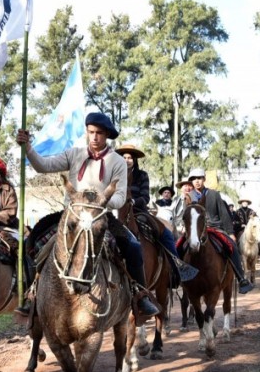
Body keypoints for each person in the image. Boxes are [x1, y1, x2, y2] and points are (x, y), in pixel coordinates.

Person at [16, 112, 160, 317]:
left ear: (107, 135)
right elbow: (43, 166)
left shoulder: (117, 162)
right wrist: (28, 148)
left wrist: (101, 201)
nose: (94, 137)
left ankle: (140, 295)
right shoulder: (73, 154)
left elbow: (120, 197)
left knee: (134, 247)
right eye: (91, 132)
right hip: (71, 216)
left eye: (99, 133)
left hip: (101, 217)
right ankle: (32, 293)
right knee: (35, 241)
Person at [116, 144, 182, 283]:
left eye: (130, 158)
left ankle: (176, 266)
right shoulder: (114, 175)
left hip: (139, 211)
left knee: (166, 234)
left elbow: (145, 197)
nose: (127, 160)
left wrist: (133, 201)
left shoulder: (142, 175)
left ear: (134, 160)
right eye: (125, 157)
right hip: (117, 211)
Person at [185, 168, 254, 294]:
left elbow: (224, 214)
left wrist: (231, 233)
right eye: (194, 179)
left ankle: (241, 278)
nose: (197, 181)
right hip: (195, 230)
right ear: (191, 182)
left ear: (204, 179)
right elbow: (187, 216)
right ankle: (177, 276)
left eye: (199, 178)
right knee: (180, 246)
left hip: (215, 227)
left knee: (232, 246)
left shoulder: (214, 194)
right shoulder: (188, 196)